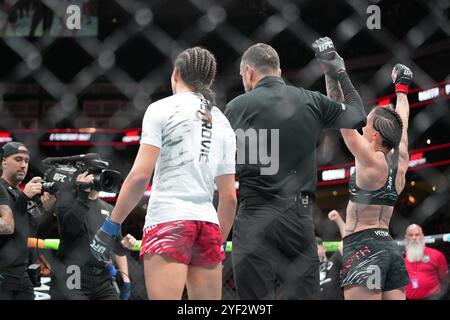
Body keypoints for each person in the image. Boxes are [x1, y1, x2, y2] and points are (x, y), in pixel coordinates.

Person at [90, 47, 237, 300]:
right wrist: (218, 244)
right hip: (209, 224)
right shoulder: (223, 122)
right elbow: (229, 198)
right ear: (209, 80)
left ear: (176, 74)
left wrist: (112, 223)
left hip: (169, 219)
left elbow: (139, 177)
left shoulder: (162, 109)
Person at [223, 40, 366, 300]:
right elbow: (357, 116)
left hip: (253, 213)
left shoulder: (235, 107)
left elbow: (221, 168)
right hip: (296, 216)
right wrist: (339, 73)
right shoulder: (308, 100)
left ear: (248, 72)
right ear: (279, 72)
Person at [317, 38, 413, 299]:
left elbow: (343, 115)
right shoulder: (400, 157)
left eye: (368, 123)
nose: (364, 124)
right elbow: (402, 119)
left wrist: (335, 71)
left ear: (376, 136)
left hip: (362, 246)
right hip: (389, 245)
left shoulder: (371, 160)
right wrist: (402, 88)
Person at [49, 165, 134, 300]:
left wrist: (124, 246)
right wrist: (83, 194)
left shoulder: (109, 209)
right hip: (73, 272)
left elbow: (115, 247)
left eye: (100, 174)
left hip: (102, 276)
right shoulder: (66, 202)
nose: (97, 178)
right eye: (93, 174)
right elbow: (70, 231)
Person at [0, 142, 55, 300]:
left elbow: (35, 233)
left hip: (22, 274)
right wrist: (24, 198)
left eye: (26, 161)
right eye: (18, 159)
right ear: (3, 161)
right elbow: (8, 227)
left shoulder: (18, 193)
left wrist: (47, 209)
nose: (23, 165)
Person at [404, 224, 449, 300]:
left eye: (417, 235)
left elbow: (445, 279)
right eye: (411, 235)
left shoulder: (436, 255)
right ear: (406, 238)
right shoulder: (400, 258)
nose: (414, 238)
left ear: (422, 237)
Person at [319, 210, 345, 300]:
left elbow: (348, 242)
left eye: (316, 248)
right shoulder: (307, 270)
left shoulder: (334, 262)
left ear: (323, 248)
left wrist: (338, 220)